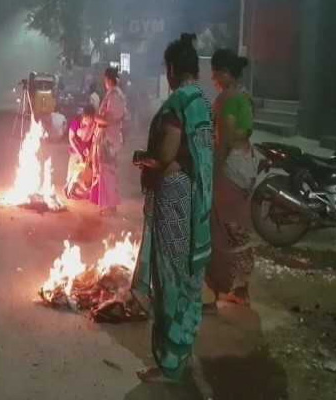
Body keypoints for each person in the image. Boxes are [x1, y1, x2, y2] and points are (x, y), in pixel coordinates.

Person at [131, 33, 214, 383]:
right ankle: (183, 350)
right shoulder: (203, 103)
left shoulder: (177, 104)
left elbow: (166, 156)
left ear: (172, 69)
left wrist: (143, 159)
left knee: (169, 279)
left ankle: (169, 364)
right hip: (199, 201)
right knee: (189, 279)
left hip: (176, 200)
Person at [206, 49, 256, 308]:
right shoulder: (245, 96)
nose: (213, 77)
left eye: (215, 72)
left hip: (229, 168)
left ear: (225, 73)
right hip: (246, 165)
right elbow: (244, 131)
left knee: (221, 227)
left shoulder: (225, 99)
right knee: (239, 227)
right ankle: (242, 287)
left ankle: (219, 288)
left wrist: (212, 171)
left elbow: (223, 139)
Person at [90, 67, 127, 216]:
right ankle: (108, 205)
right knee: (106, 172)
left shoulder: (115, 95)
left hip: (109, 139)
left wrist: (96, 118)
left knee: (107, 172)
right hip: (108, 138)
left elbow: (111, 119)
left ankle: (109, 206)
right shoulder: (113, 94)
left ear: (108, 79)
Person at [65, 105, 96, 199]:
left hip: (88, 155)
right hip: (75, 153)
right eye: (89, 118)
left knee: (86, 177)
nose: (90, 120)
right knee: (72, 175)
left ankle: (85, 190)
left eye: (92, 118)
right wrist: (79, 154)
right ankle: (70, 187)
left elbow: (94, 142)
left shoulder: (94, 125)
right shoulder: (76, 122)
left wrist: (90, 154)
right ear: (85, 117)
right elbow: (71, 139)